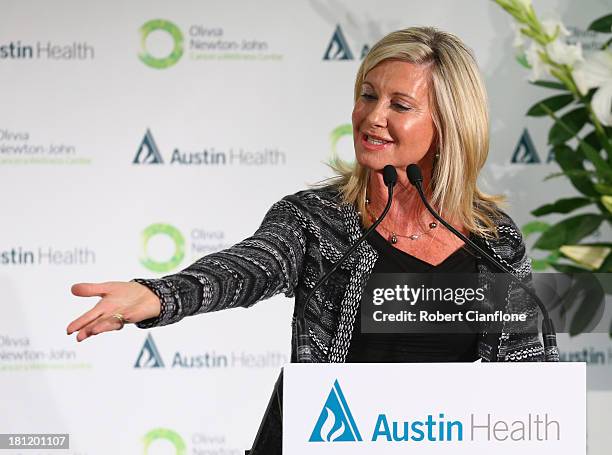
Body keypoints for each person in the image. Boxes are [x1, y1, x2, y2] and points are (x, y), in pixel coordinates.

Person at [67, 26, 548, 453]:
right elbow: (251, 266)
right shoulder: (316, 219)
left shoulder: (495, 240)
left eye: (399, 105)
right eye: (367, 95)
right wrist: (159, 294)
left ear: (446, 126)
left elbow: (531, 370)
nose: (372, 116)